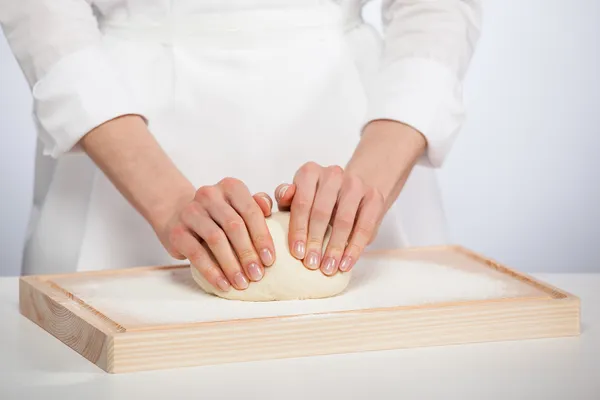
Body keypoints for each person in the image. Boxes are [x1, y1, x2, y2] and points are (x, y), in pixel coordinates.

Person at [1, 0, 481, 293]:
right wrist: (168, 202)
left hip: (354, 121)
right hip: (122, 141)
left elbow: (436, 5)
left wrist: (371, 182)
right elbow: (41, 8)